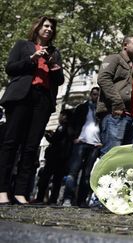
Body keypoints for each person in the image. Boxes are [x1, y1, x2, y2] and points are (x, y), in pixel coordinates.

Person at [0, 16, 64, 205]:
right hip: (21, 97)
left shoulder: (55, 52)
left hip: (42, 101)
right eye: (46, 26)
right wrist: (32, 59)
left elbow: (59, 80)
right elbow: (10, 68)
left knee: (31, 147)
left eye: (51, 27)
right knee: (10, 144)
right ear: (37, 28)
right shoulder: (23, 45)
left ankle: (20, 192)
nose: (49, 29)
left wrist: (52, 65)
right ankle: (2, 190)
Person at [97, 36, 133, 156]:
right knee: (112, 154)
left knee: (127, 158)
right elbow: (103, 79)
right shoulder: (114, 59)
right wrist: (117, 103)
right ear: (125, 45)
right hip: (116, 114)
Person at [62, 87, 102, 207]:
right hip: (81, 143)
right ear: (91, 95)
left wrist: (102, 141)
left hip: (95, 145)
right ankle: (68, 198)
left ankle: (81, 200)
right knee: (73, 172)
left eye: (98, 95)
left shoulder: (102, 110)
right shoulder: (82, 108)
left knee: (87, 174)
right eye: (94, 94)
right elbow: (72, 123)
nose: (96, 97)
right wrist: (74, 137)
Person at [32, 109, 73, 205]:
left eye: (61, 115)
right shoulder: (69, 129)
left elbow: (56, 141)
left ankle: (40, 198)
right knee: (57, 180)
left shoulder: (62, 128)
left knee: (46, 178)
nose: (59, 117)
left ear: (64, 117)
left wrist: (47, 136)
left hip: (55, 157)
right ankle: (53, 200)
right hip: (62, 158)